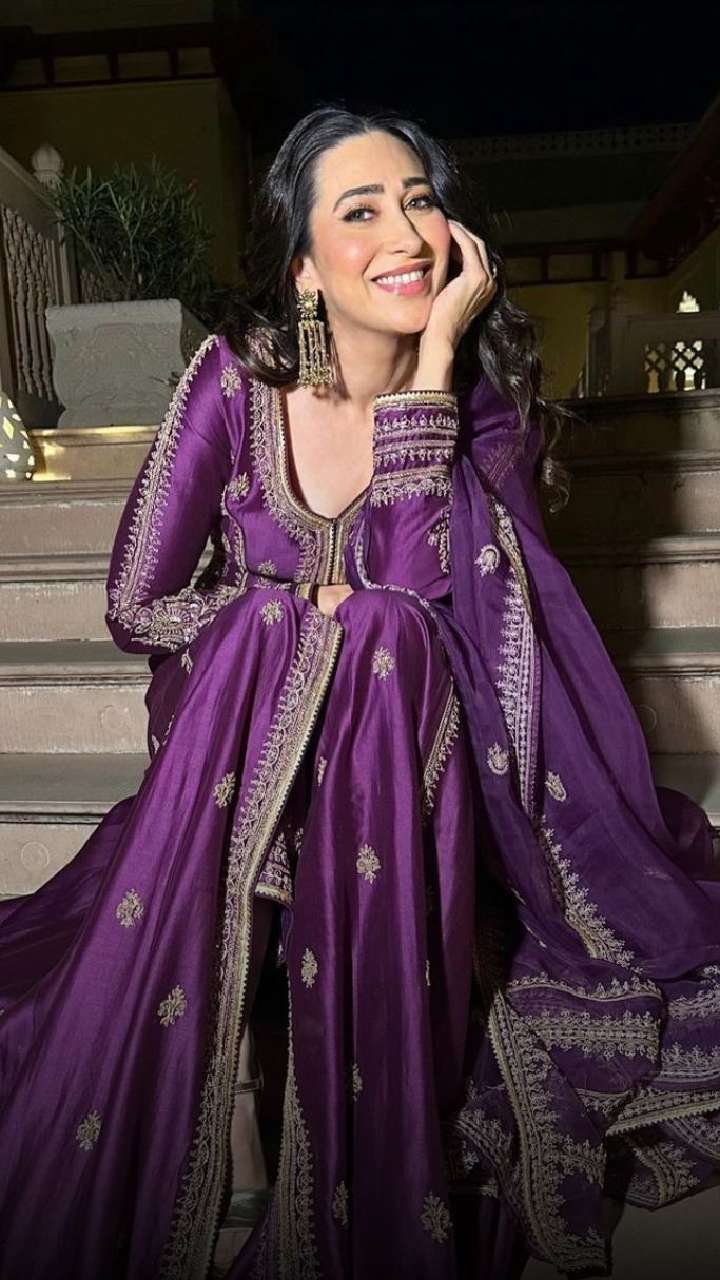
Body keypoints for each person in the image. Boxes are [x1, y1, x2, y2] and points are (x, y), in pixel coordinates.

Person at [1, 105, 719, 1280]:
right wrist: (286, 623)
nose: (406, 233)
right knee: (306, 625)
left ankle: (362, 1157)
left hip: (420, 752)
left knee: (387, 631)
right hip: (242, 742)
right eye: (362, 209)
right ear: (303, 265)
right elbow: (138, 604)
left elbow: (445, 612)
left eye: (421, 200)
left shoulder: (482, 408)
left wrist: (431, 370)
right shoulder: (238, 382)